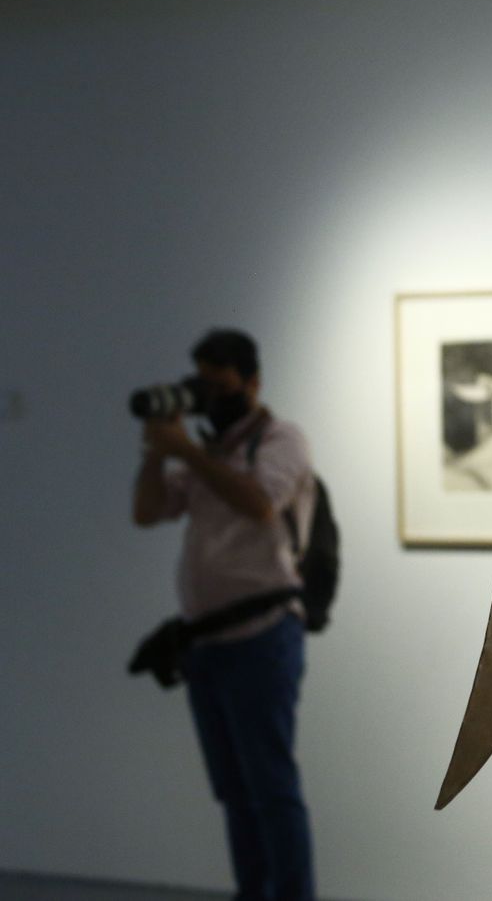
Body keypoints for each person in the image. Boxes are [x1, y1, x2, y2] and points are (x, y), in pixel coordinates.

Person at [133, 329, 316, 901]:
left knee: (272, 788)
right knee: (234, 791)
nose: (208, 395)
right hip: (206, 643)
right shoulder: (208, 452)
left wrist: (185, 451)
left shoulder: (280, 438)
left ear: (252, 381)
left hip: (263, 637)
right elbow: (149, 511)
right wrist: (156, 454)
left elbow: (262, 503)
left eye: (219, 383)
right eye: (200, 384)